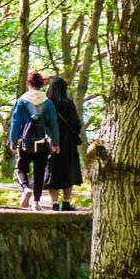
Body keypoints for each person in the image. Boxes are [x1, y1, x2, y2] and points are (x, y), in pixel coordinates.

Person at [7, 71, 59, 209]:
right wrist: (56, 142)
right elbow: (53, 123)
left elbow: (16, 122)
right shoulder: (48, 102)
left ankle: (25, 188)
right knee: (39, 172)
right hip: (42, 142)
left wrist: (12, 140)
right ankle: (36, 202)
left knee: (20, 169)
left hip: (26, 143)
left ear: (28, 84)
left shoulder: (21, 101)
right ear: (42, 85)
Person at [45, 75, 84, 211]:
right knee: (68, 170)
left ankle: (55, 203)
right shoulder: (68, 103)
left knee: (52, 170)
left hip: (50, 141)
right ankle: (66, 202)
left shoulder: (46, 103)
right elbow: (76, 124)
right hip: (68, 143)